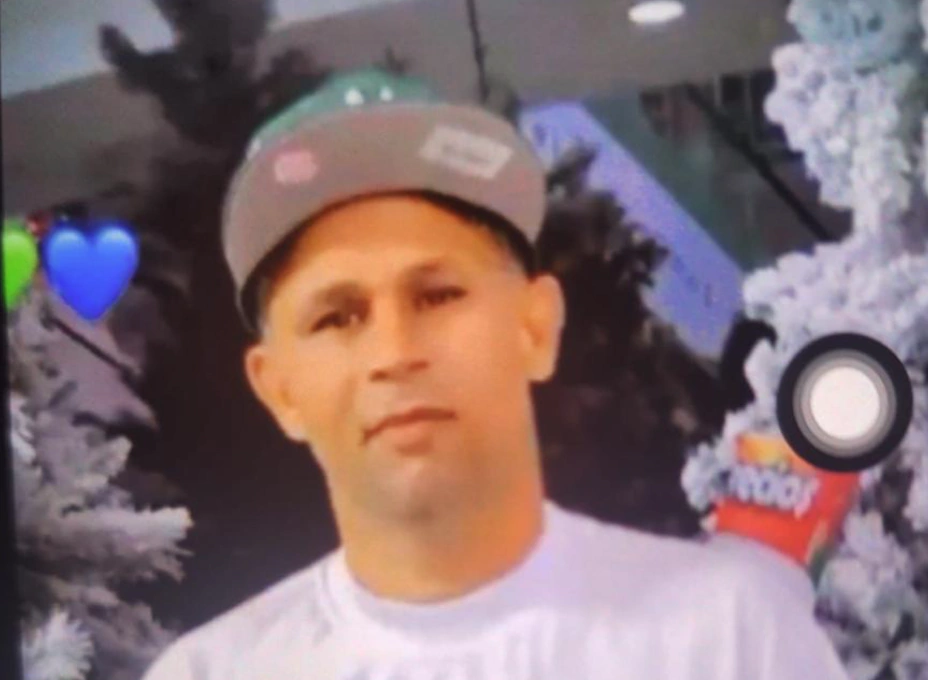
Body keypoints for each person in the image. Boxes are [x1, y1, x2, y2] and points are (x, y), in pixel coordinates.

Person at [142, 68, 851, 680]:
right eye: (337, 317)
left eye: (437, 295)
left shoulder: (729, 635)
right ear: (279, 389)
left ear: (535, 328)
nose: (393, 352)